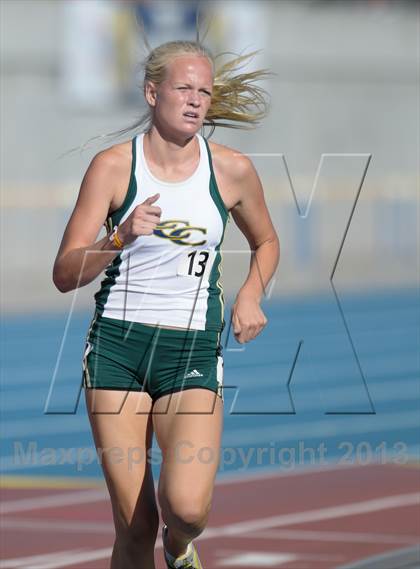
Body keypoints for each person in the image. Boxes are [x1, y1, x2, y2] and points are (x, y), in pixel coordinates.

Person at [53, 40, 279, 569]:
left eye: (205, 90)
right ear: (152, 93)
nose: (196, 100)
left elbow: (267, 242)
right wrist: (118, 238)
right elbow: (65, 274)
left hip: (189, 351)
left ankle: (180, 549)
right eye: (184, 88)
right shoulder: (112, 168)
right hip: (117, 349)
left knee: (186, 508)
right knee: (134, 525)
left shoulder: (231, 171)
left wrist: (250, 293)